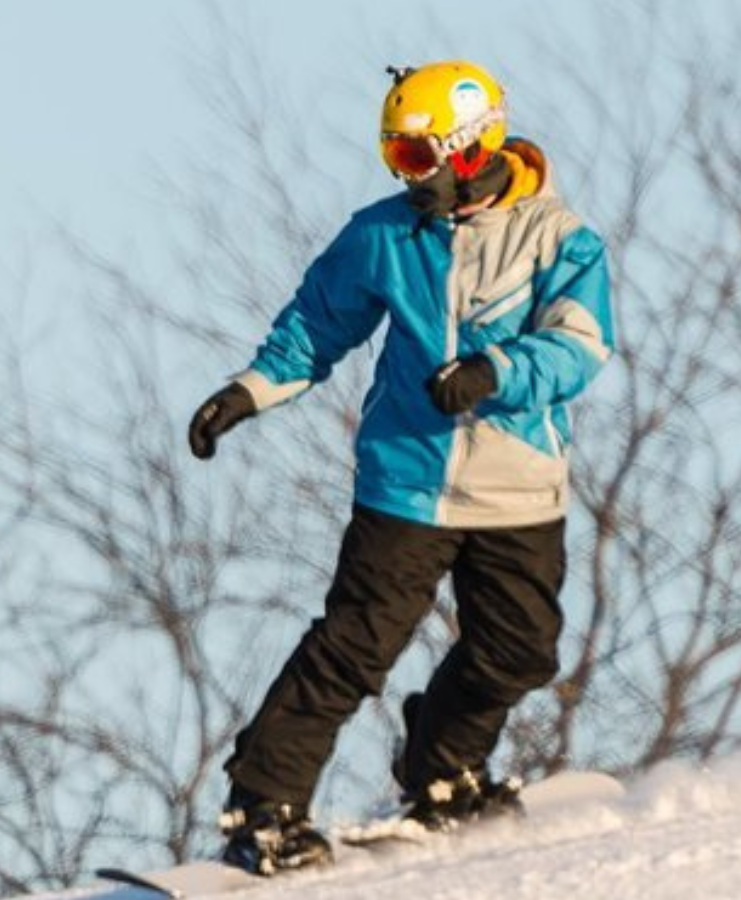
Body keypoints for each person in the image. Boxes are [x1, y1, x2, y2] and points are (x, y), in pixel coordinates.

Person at [187, 59, 615, 876]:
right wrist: (246, 393)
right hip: (405, 482)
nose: (403, 177)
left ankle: (444, 774)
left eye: (417, 158)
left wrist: (496, 372)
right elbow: (316, 328)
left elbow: (580, 343)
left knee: (520, 650)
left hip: (516, 484)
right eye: (396, 158)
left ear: (469, 148)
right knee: (354, 645)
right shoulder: (383, 234)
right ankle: (265, 805)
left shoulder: (561, 239)